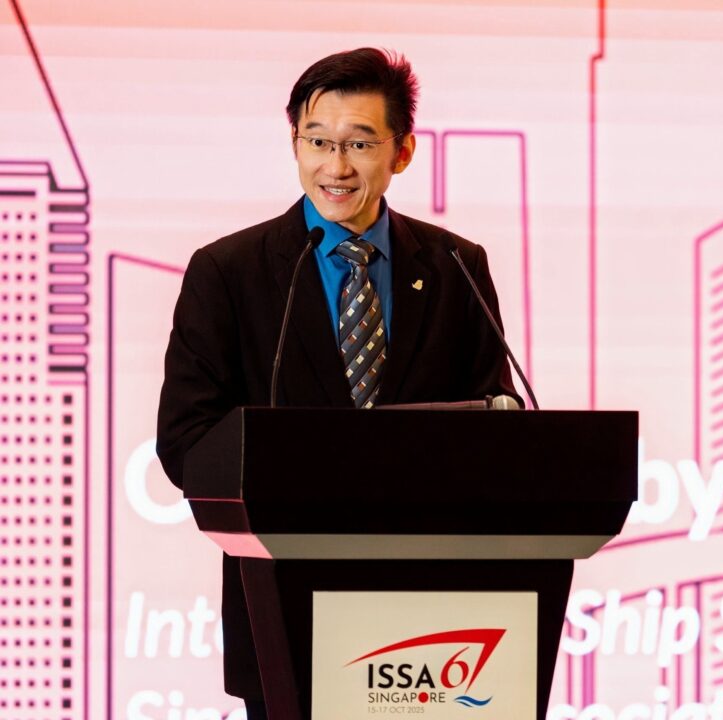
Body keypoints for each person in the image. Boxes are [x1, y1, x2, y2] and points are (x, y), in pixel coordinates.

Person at [156, 48, 518, 718]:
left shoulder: (455, 266)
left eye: (359, 143)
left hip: (435, 621)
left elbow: (496, 422)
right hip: (283, 604)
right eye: (318, 141)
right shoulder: (229, 272)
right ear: (295, 143)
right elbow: (186, 440)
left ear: (402, 151)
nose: (336, 166)